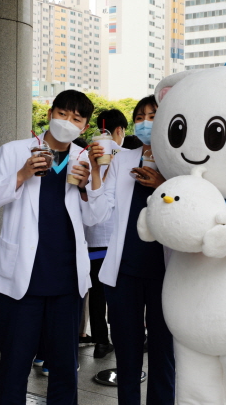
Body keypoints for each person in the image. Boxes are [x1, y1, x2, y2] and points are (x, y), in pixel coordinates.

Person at [0, 90, 96, 404]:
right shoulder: (14, 151)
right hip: (21, 281)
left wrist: (86, 190)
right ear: (50, 113)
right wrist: (22, 174)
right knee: (14, 365)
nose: (68, 122)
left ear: (84, 127)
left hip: (67, 281)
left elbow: (98, 215)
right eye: (63, 114)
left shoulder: (85, 159)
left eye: (76, 119)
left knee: (65, 368)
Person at [86, 95, 175, 404]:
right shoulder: (123, 157)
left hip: (167, 272)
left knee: (164, 351)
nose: (145, 121)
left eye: (153, 115)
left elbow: (193, 205)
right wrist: (97, 171)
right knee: (126, 350)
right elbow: (97, 213)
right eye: (140, 116)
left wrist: (163, 184)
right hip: (124, 270)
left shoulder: (178, 159)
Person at [85, 109, 129, 359]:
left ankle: (101, 341)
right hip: (116, 236)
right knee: (118, 290)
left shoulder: (87, 152)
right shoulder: (123, 156)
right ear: (120, 130)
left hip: (92, 236)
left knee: (97, 294)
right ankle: (123, 336)